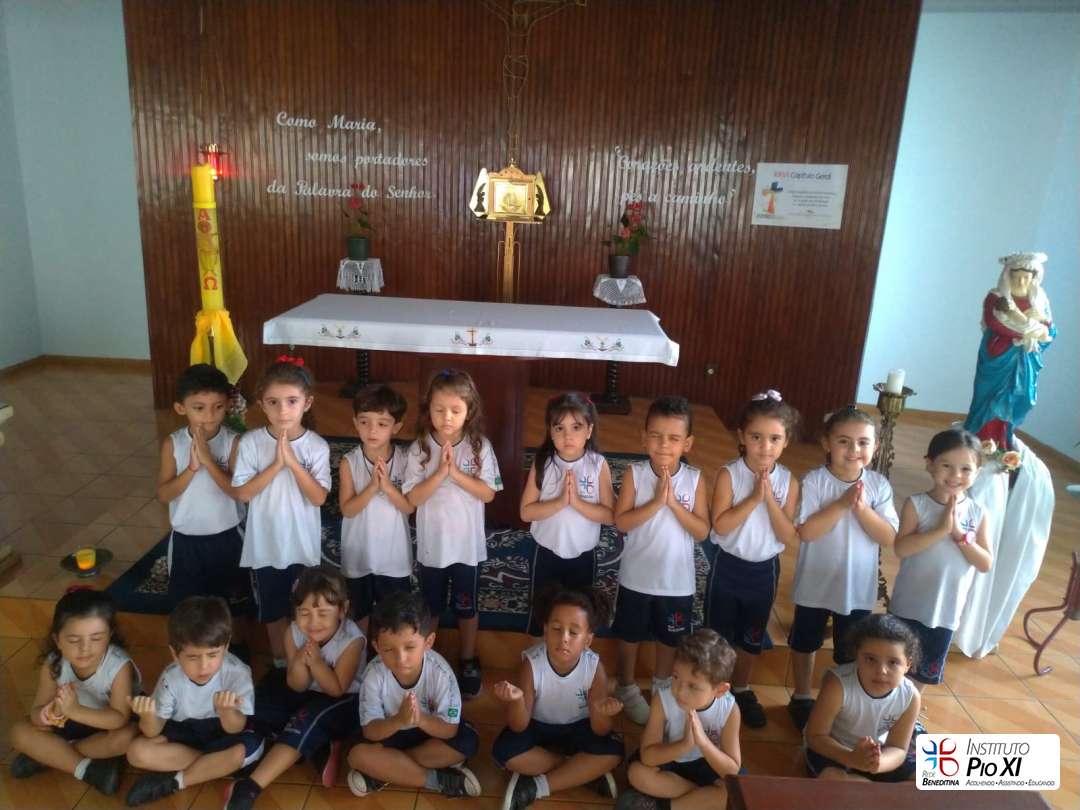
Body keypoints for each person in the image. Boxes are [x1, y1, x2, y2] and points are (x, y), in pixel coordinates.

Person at [787, 407, 899, 730]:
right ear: (826, 443)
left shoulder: (878, 485)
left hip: (856, 587)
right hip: (815, 582)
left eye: (863, 442)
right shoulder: (815, 481)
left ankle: (842, 701)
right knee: (805, 641)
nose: (853, 450)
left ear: (875, 446)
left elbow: (888, 537)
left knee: (850, 650)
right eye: (843, 441)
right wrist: (841, 504)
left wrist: (861, 509)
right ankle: (802, 695)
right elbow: (807, 532)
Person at [225, 566, 366, 809]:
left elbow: (337, 689)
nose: (313, 623)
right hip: (306, 691)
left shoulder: (352, 640)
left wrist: (317, 664)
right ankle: (318, 747)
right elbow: (296, 684)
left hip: (343, 699)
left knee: (305, 720)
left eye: (323, 613)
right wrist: (301, 659)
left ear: (342, 610)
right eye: (304, 613)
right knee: (260, 705)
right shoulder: (293, 633)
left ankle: (249, 787)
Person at [402, 368, 501, 698]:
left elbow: (488, 493)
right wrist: (439, 472)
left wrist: (455, 473)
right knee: (429, 608)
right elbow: (412, 499)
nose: (447, 418)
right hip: (432, 548)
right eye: (439, 409)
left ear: (469, 411)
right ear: (428, 409)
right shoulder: (419, 448)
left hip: (466, 549)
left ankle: (468, 658)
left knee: (466, 607)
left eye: (455, 410)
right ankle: (427, 659)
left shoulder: (479, 447)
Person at [612, 396, 710, 725]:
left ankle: (662, 686)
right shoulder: (635, 474)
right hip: (635, 577)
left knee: (670, 638)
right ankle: (626, 686)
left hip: (676, 581)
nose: (664, 445)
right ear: (643, 438)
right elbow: (621, 522)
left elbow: (701, 530)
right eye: (655, 436)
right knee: (630, 635)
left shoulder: (695, 479)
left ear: (688, 443)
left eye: (673, 438)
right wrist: (656, 502)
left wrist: (673, 504)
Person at [706, 390, 800, 728]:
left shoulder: (788, 481)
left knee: (752, 635)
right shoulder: (729, 474)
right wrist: (753, 498)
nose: (765, 446)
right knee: (719, 633)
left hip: (764, 571)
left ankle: (741, 688)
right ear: (742, 437)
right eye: (756, 437)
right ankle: (712, 688)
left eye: (775, 438)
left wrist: (769, 499)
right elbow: (720, 524)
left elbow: (787, 535)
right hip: (727, 566)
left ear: (786, 441)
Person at [232, 358, 331, 665]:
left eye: (291, 401)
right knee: (273, 609)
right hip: (266, 546)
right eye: (273, 402)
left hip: (302, 545)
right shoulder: (251, 443)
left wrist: (292, 463)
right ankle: (280, 662)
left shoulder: (316, 446)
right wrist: (276, 464)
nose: (283, 410)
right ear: (261, 404)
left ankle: (308, 662)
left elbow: (318, 497)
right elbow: (243, 493)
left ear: (307, 403)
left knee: (307, 606)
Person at [492, 586, 624, 809]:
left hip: (579, 728)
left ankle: (536, 786)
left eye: (573, 632)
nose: (563, 638)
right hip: (538, 728)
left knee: (614, 752)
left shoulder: (594, 668)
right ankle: (577, 770)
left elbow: (600, 730)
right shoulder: (532, 664)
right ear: (545, 630)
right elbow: (518, 726)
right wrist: (516, 700)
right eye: (556, 628)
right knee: (504, 752)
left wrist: (602, 713)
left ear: (588, 639)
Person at [125, 596, 263, 806]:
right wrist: (147, 716)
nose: (204, 666)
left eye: (212, 655)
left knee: (241, 752)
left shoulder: (237, 673)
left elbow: (236, 728)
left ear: (226, 647)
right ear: (174, 653)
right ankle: (212, 767)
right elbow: (153, 731)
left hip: (224, 733)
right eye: (192, 657)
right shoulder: (171, 677)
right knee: (136, 752)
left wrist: (226, 712)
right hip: (186, 732)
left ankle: (176, 782)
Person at [345, 591, 481, 799]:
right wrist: (399, 720)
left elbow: (449, 729)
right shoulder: (373, 674)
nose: (401, 659)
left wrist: (420, 719)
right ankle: (438, 780)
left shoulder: (441, 673)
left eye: (410, 647)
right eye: (389, 649)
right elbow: (370, 731)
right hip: (389, 732)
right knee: (357, 755)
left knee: (467, 742)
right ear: (377, 647)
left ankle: (385, 771)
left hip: (429, 733)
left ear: (428, 642)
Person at [9, 590, 141, 796]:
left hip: (104, 728)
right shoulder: (54, 664)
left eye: (96, 638)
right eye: (73, 640)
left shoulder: (118, 666)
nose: (85, 648)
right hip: (67, 726)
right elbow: (36, 712)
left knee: (127, 737)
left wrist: (75, 710)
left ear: (110, 635)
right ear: (58, 640)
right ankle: (87, 769)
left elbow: (119, 719)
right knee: (18, 732)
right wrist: (48, 714)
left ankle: (50, 756)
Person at [890, 428, 992, 689]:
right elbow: (901, 548)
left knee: (924, 672)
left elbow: (985, 563)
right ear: (930, 464)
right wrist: (940, 530)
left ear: (978, 472)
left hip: (946, 610)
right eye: (947, 465)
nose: (956, 475)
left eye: (966, 469)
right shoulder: (917, 504)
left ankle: (911, 709)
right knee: (895, 664)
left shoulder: (978, 513)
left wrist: (958, 534)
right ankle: (888, 706)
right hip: (908, 606)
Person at [520, 393, 615, 634]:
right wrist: (561, 502)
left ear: (589, 430)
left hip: (583, 555)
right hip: (546, 552)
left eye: (576, 427)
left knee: (580, 612)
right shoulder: (543, 463)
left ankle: (576, 654)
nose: (567, 435)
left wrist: (576, 502)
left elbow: (609, 515)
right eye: (559, 428)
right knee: (543, 613)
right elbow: (526, 512)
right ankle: (538, 655)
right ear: (550, 432)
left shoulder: (597, 465)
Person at [620, 629, 741, 810]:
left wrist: (703, 742)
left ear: (720, 690)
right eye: (676, 677)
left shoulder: (729, 710)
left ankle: (666, 806)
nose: (680, 691)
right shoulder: (662, 699)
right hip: (671, 763)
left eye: (693, 686)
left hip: (708, 766)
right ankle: (701, 800)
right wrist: (685, 744)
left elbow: (731, 770)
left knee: (734, 790)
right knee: (637, 773)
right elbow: (648, 757)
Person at [157, 364, 245, 609]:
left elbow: (238, 492)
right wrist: (192, 469)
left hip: (227, 537)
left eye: (218, 407)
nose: (209, 415)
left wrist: (208, 460)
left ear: (228, 405)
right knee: (188, 606)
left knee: (229, 604)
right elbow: (164, 494)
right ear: (180, 408)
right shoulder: (173, 444)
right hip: (187, 541)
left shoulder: (233, 442)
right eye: (199, 408)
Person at [803, 613, 921, 781]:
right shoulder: (837, 685)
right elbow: (815, 736)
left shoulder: (911, 696)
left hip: (881, 753)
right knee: (836, 780)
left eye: (893, 662)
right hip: (835, 751)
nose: (881, 670)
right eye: (870, 659)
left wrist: (877, 763)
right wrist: (852, 758)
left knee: (928, 779)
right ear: (857, 656)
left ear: (907, 664)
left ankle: (869, 788)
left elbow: (898, 748)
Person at [338, 384, 415, 635]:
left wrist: (388, 487)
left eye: (382, 424)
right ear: (355, 423)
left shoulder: (405, 460)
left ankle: (387, 655)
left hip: (394, 557)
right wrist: (372, 487)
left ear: (397, 427)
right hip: (358, 555)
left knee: (394, 617)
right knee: (358, 614)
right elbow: (348, 510)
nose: (372, 430)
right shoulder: (349, 462)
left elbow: (408, 507)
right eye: (365, 422)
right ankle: (359, 655)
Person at [964, 251, 1055, 450]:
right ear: (1008, 275)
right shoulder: (996, 297)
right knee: (990, 399)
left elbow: (1050, 331)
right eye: (1016, 277)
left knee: (1018, 399)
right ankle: (980, 438)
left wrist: (1038, 324)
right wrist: (1027, 330)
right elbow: (994, 323)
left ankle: (1003, 439)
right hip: (998, 356)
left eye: (1026, 277)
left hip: (1024, 359)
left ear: (1034, 278)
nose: (1021, 282)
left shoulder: (1040, 300)